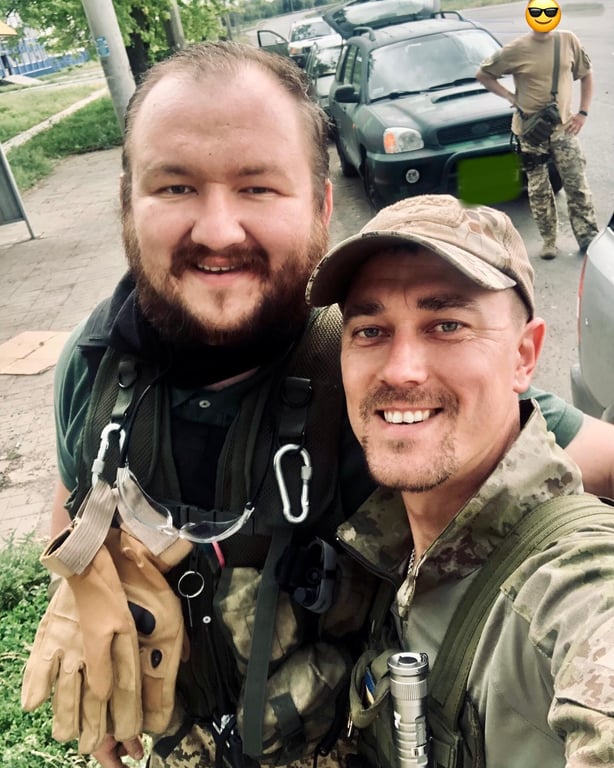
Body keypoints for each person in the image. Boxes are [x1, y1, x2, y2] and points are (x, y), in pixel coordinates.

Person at [20, 42, 614, 768]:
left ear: (323, 206)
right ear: (127, 203)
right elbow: (75, 491)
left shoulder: (378, 375)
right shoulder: (95, 363)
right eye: (174, 187)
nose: (217, 230)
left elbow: (565, 526)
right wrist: (85, 583)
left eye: (258, 187)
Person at [306, 193, 614, 765]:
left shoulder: (574, 583)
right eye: (370, 331)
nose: (401, 370)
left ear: (524, 357)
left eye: (447, 325)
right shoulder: (394, 540)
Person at [476, 21, 599, 260]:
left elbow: (586, 75)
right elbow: (484, 74)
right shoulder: (516, 49)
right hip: (530, 132)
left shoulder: (567, 40)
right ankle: (549, 241)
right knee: (538, 189)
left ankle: (588, 238)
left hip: (564, 129)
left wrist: (583, 113)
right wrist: (510, 96)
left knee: (577, 185)